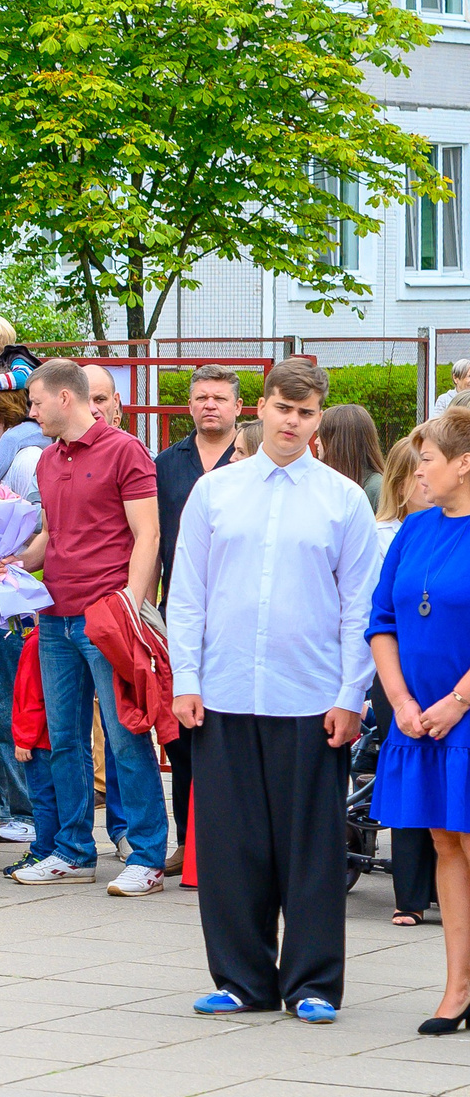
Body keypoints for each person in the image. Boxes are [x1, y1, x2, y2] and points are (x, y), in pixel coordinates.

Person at [166, 361, 373, 1024]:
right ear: (261, 406)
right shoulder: (216, 493)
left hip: (312, 698)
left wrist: (351, 692)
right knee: (230, 846)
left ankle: (312, 981)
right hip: (224, 691)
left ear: (319, 419)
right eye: (283, 407)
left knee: (311, 848)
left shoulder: (344, 500)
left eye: (305, 412)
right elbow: (189, 594)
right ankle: (242, 977)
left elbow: (358, 609)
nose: (291, 421)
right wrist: (186, 679)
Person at [1, 359, 169, 894]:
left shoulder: (125, 451)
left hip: (106, 617)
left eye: (35, 401)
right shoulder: (47, 461)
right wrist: (12, 564)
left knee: (125, 737)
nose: (30, 412)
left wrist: (131, 606)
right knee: (65, 740)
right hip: (54, 616)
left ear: (66, 399)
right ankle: (72, 850)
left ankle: (146, 854)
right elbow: (52, 535)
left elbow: (149, 534)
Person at [153, 364, 243, 862]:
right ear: (189, 405)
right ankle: (186, 843)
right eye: (201, 397)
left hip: (236, 617)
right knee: (181, 735)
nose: (210, 405)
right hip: (178, 616)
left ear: (237, 407)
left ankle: (231, 844)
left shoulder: (250, 462)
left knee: (232, 731)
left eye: (219, 398)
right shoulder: (165, 464)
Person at [373, 437, 439, 928]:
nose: (420, 476)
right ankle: (411, 894)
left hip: (455, 693)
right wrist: (399, 697)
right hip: (403, 686)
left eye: (428, 464)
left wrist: (458, 699)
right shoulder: (408, 530)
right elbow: (381, 616)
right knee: (415, 785)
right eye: (413, 470)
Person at [320, 402, 385, 505]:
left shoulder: (376, 489)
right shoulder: (329, 483)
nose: (316, 442)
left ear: (339, 442)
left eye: (322, 436)